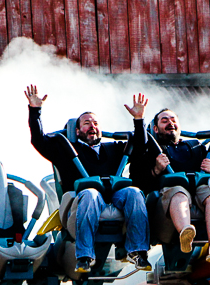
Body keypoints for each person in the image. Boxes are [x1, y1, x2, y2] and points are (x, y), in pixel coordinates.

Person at [25, 84, 151, 273]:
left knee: (134, 192)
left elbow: (141, 148)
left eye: (95, 123)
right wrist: (35, 111)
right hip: (83, 199)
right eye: (86, 123)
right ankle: (84, 256)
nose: (92, 126)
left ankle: (138, 251)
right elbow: (39, 141)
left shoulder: (114, 148)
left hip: (114, 198)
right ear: (77, 131)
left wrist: (138, 120)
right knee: (91, 194)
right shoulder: (65, 149)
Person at [131, 108, 210, 263]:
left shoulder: (197, 147)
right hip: (168, 199)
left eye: (173, 120)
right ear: (155, 129)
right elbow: (138, 182)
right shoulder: (151, 151)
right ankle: (185, 231)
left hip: (199, 193)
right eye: (164, 120)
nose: (170, 123)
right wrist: (156, 169)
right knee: (178, 191)